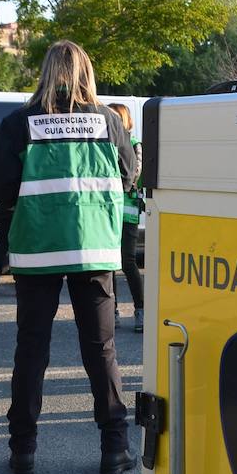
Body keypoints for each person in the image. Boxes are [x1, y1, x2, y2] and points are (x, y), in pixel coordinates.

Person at [0, 40, 137, 474]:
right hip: (94, 250)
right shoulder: (109, 120)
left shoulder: (20, 123)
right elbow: (128, 175)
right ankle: (114, 446)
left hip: (37, 247)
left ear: (46, 71)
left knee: (31, 348)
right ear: (87, 72)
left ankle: (23, 449)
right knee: (101, 350)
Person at [106, 102, 145, 334]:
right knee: (109, 263)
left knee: (128, 261)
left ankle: (140, 310)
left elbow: (135, 173)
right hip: (108, 211)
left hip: (127, 212)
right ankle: (112, 311)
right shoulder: (106, 142)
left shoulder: (133, 144)